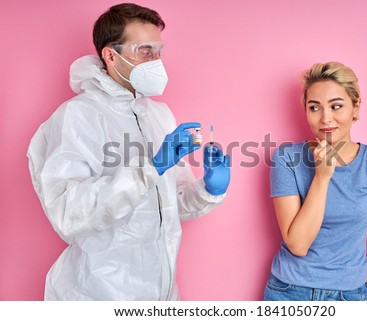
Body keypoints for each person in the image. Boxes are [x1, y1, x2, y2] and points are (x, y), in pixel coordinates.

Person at [27, 3, 230, 300]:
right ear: (111, 55)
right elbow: (68, 213)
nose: (156, 60)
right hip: (96, 295)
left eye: (158, 50)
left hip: (161, 294)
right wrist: (150, 167)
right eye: (144, 51)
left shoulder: (159, 115)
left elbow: (168, 205)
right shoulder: (77, 116)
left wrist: (208, 188)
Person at [264, 62, 367, 301]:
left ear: (355, 107)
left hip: (348, 296)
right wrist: (322, 177)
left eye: (336, 106)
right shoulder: (287, 158)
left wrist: (350, 287)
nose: (326, 118)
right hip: (288, 293)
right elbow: (298, 244)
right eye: (314, 107)